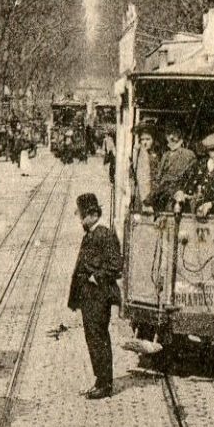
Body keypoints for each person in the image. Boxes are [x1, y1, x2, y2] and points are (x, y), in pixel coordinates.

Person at [67, 192, 122, 400]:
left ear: (91, 214)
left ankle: (105, 384)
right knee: (93, 338)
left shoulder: (103, 234)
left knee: (99, 339)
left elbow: (116, 265)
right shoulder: (91, 233)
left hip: (99, 296)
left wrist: (94, 277)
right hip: (89, 297)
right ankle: (100, 380)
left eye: (81, 215)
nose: (79, 219)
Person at [152, 127, 198, 212]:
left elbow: (191, 174)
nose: (171, 141)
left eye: (174, 139)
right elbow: (159, 174)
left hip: (180, 189)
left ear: (181, 140)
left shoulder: (188, 154)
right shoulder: (166, 155)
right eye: (169, 139)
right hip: (164, 190)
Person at [131, 124, 158, 209]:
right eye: (142, 139)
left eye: (148, 139)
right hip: (141, 190)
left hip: (153, 191)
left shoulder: (157, 155)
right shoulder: (138, 153)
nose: (145, 142)